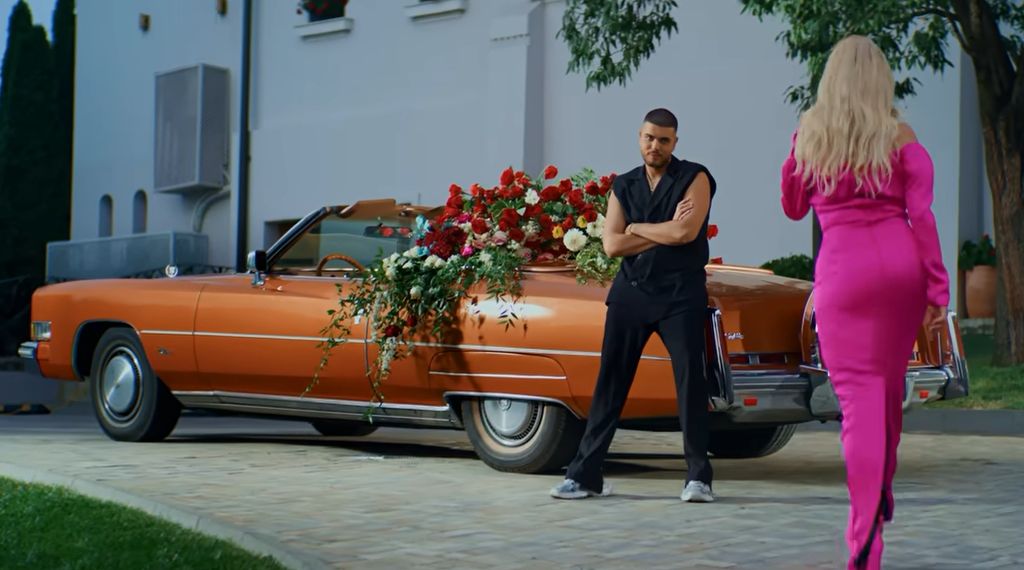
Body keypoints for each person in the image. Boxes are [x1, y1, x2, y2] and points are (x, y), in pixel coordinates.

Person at [779, 36, 949, 569]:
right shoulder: (901, 136)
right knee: (887, 393)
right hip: (899, 271)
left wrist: (799, 146)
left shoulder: (812, 135)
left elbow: (792, 206)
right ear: (881, 80)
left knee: (860, 406)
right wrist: (938, 290)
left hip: (845, 276)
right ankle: (881, 491)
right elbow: (922, 215)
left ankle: (865, 541)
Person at [550, 108, 717, 503]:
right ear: (639, 137)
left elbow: (685, 232)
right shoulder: (623, 184)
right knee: (610, 382)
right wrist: (661, 231)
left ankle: (698, 479)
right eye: (648, 137)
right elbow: (612, 245)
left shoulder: (696, 177)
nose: (654, 145)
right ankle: (584, 476)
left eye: (663, 140)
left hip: (680, 294)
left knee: (691, 383)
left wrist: (637, 228)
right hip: (631, 292)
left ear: (675, 142)